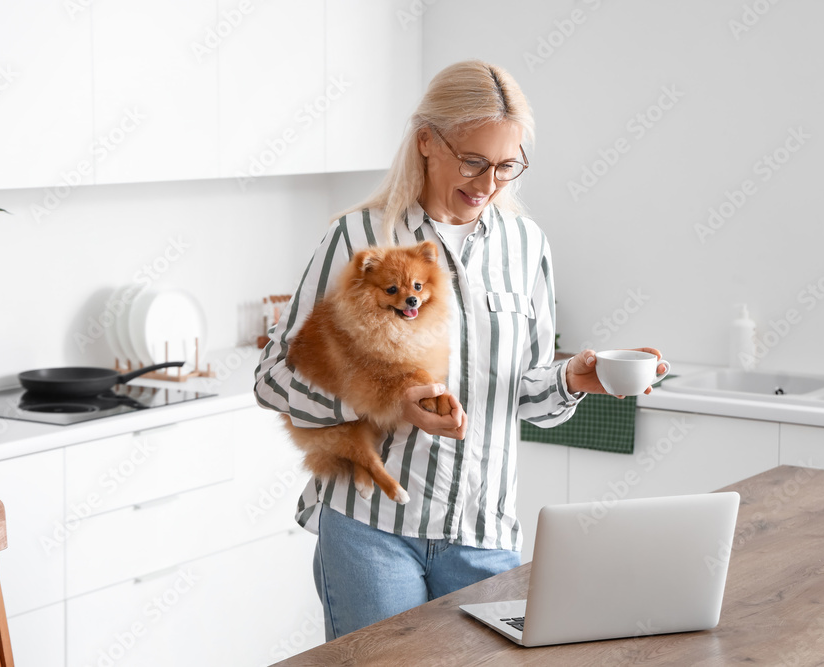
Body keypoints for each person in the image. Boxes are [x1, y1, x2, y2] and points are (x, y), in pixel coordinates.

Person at [253, 59, 665, 641]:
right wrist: (388, 402)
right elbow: (272, 379)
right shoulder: (357, 238)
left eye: (506, 165)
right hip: (373, 531)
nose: (488, 183)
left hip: (485, 535)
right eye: (473, 161)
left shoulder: (526, 245)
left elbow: (527, 395)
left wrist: (573, 379)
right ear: (426, 141)